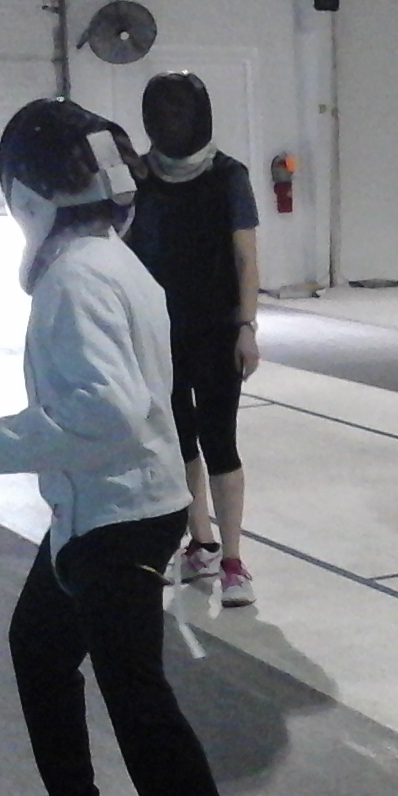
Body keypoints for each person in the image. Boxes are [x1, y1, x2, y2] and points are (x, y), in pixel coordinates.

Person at [0, 99, 269, 796]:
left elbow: (103, 415)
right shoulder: (110, 260)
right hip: (108, 506)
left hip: (117, 513)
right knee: (38, 644)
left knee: (139, 702)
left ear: (29, 192)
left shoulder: (76, 278)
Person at [124, 71, 262, 608]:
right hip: (160, 332)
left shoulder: (229, 175)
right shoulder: (140, 177)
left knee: (219, 441)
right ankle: (199, 543)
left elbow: (245, 257)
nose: (171, 122)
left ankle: (232, 560)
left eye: (180, 112)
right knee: (179, 441)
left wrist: (247, 327)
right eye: (164, 113)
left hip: (217, 330)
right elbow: (125, 247)